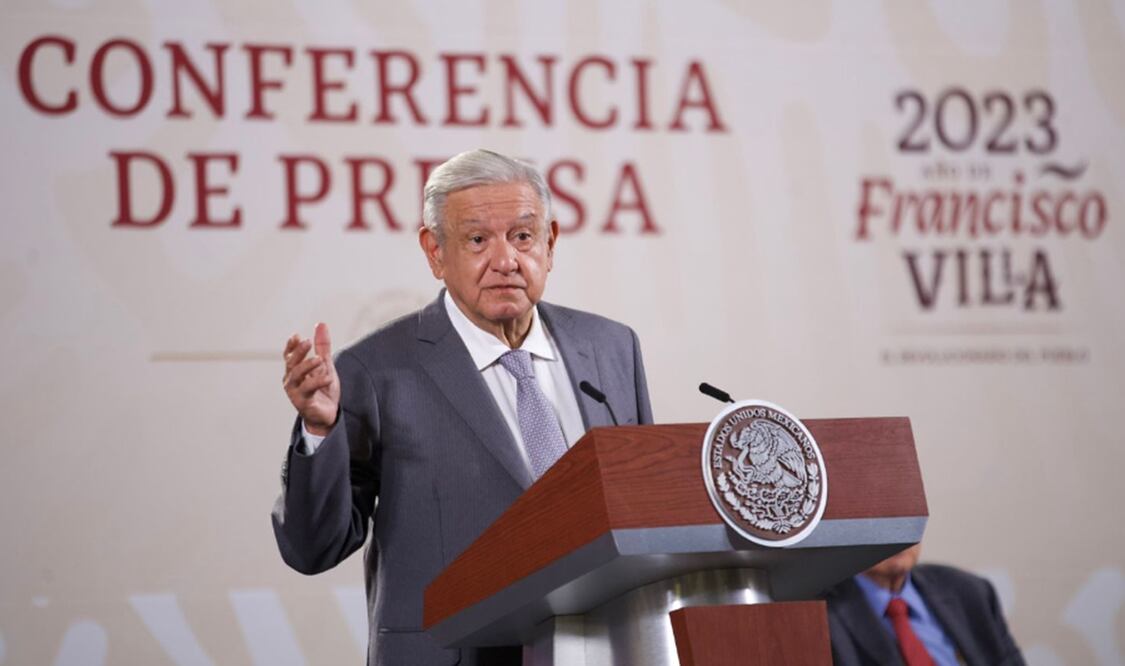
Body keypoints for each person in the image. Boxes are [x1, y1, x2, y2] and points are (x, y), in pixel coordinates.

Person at [271, 149, 654, 665]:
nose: (505, 261)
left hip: (602, 648)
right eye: (477, 240)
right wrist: (320, 431)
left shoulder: (611, 349)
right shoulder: (375, 370)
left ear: (550, 242)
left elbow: (644, 521)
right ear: (435, 252)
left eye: (522, 236)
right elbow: (314, 547)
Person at [823, 544, 1026, 666]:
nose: (897, 532)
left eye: (907, 516)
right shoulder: (820, 617)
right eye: (881, 519)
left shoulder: (970, 592)